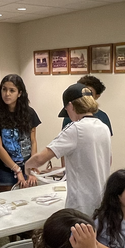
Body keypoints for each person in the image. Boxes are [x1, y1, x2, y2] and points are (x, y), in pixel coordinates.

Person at [25, 83, 111, 217]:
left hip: (81, 204)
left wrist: (27, 166)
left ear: (70, 106)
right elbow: (106, 161)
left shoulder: (75, 129)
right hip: (102, 200)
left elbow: (40, 158)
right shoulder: (103, 127)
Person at [0, 74, 40, 191]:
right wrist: (17, 170)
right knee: (9, 202)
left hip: (27, 165)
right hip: (5, 168)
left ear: (19, 93)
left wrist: (32, 167)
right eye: (4, 89)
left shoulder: (30, 113)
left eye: (12, 90)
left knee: (30, 199)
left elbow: (33, 141)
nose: (7, 94)